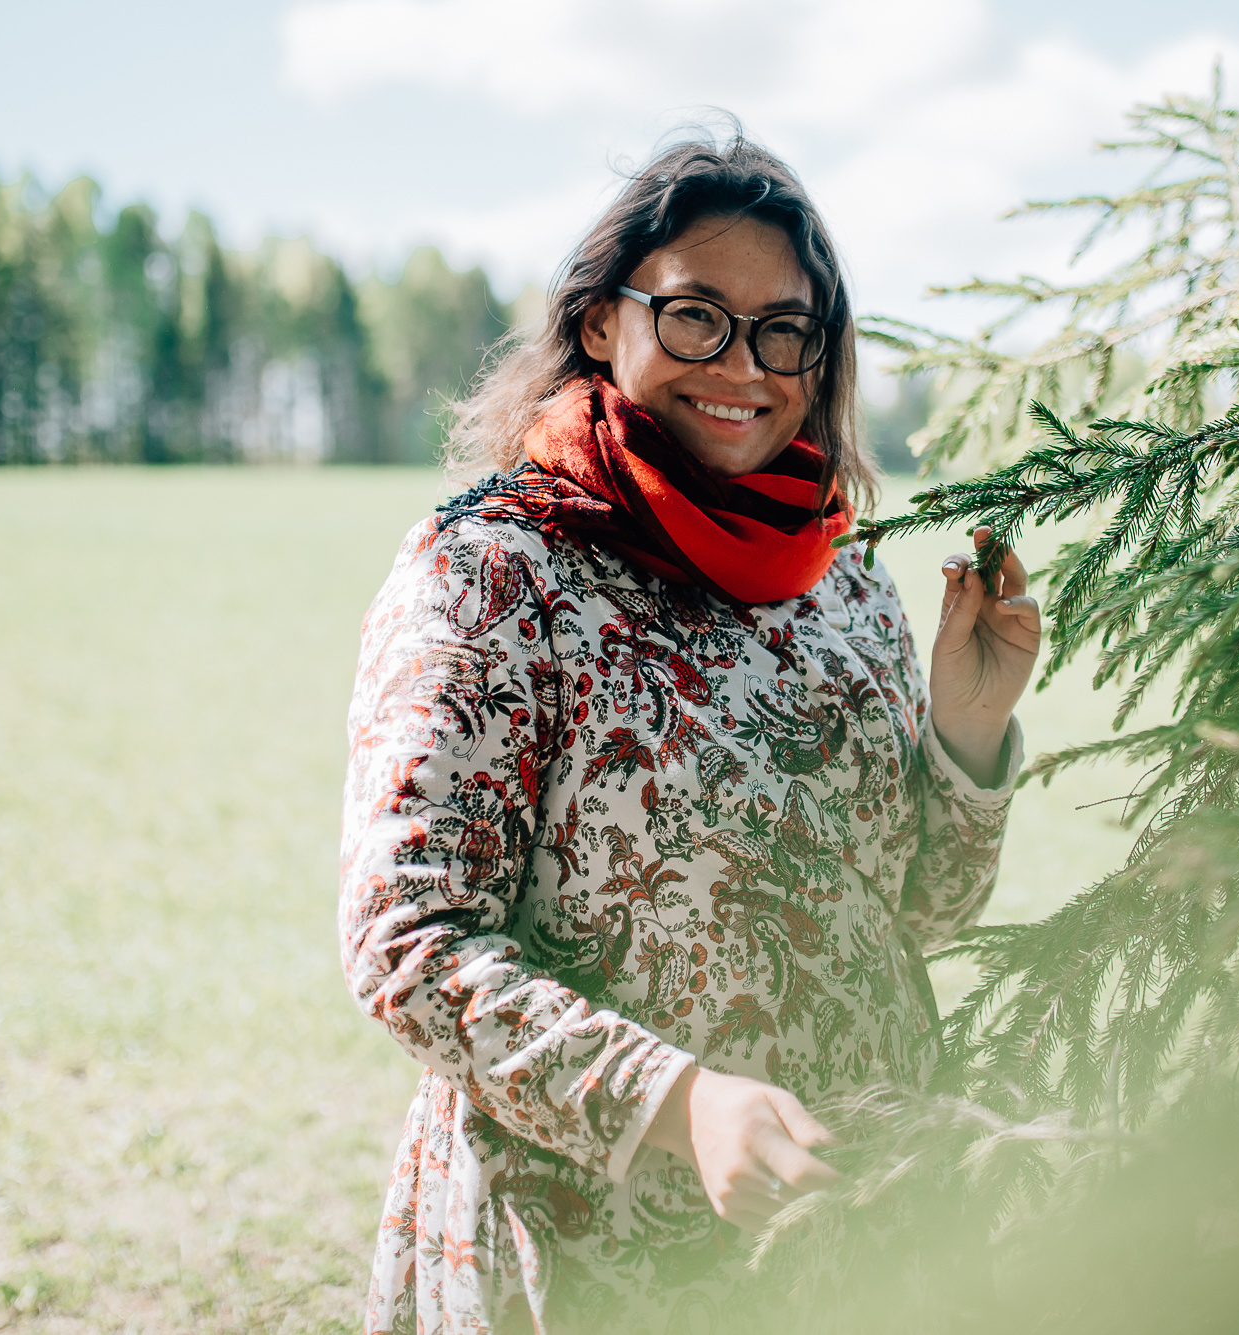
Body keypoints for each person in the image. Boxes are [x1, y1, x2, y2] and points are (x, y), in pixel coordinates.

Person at [338, 133, 1039, 1335]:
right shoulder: (497, 572)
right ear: (605, 321)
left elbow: (909, 921)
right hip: (594, 1248)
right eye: (696, 317)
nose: (744, 366)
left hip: (853, 1227)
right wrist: (675, 1103)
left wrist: (967, 738)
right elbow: (408, 942)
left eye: (784, 331)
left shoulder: (845, 582)